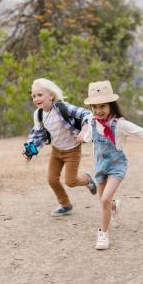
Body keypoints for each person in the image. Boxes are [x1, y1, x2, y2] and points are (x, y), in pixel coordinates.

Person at [79, 80, 143, 250]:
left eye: (102, 106)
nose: (98, 111)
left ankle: (103, 234)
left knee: (105, 198)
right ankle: (115, 207)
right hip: (100, 165)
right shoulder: (91, 120)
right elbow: (88, 137)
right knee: (104, 202)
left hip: (117, 165)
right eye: (94, 107)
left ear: (111, 106)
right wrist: (82, 136)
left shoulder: (120, 125)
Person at [22, 78, 97, 217]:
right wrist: (30, 151)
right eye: (33, 96)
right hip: (56, 151)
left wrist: (85, 128)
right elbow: (38, 134)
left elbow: (87, 114)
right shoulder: (38, 114)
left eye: (40, 95)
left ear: (51, 95)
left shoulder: (63, 108)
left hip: (72, 150)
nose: (36, 98)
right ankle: (65, 205)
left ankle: (87, 179)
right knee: (52, 179)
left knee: (71, 181)